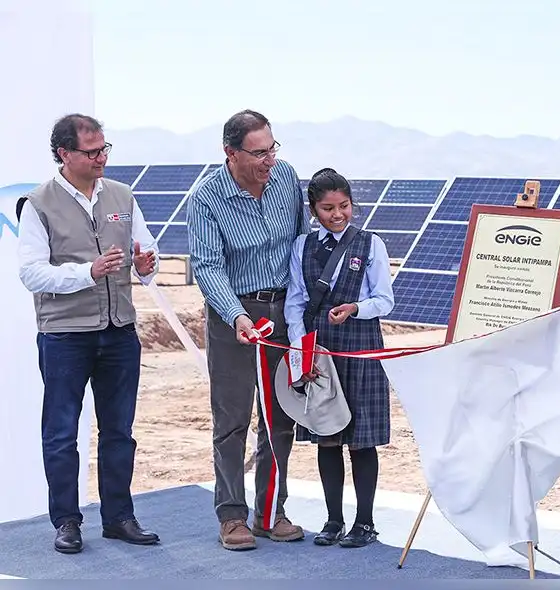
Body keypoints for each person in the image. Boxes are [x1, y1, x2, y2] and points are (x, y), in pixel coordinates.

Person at [17, 113, 161, 554]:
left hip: (119, 331)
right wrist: (87, 273)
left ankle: (119, 517)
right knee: (61, 432)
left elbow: (145, 248)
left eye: (105, 149)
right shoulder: (39, 204)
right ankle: (67, 521)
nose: (102, 157)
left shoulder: (122, 195)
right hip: (65, 335)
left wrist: (145, 266)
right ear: (65, 154)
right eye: (92, 151)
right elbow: (31, 273)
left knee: (119, 429)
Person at [187, 109, 311, 550]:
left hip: (284, 315)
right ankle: (232, 517)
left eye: (272, 148)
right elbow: (207, 266)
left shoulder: (287, 179)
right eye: (258, 152)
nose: (268, 160)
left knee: (280, 419)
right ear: (230, 153)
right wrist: (236, 315)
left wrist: (302, 310)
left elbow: (300, 242)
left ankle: (271, 511)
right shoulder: (205, 199)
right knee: (233, 418)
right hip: (235, 319)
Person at [282, 168, 395, 548]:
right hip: (319, 351)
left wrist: (356, 308)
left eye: (344, 206)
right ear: (313, 210)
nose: (337, 214)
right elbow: (296, 303)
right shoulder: (302, 247)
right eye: (328, 208)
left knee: (361, 440)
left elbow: (385, 299)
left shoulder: (370, 244)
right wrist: (302, 351)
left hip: (361, 345)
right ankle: (333, 521)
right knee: (326, 437)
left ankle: (364, 523)